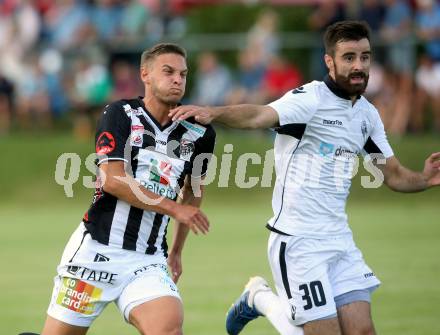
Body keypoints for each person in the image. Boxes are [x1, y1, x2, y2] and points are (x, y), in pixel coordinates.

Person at [169, 21, 440, 335]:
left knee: (363, 331)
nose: (359, 65)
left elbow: (392, 174)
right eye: (349, 57)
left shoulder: (367, 115)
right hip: (298, 242)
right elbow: (259, 115)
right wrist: (213, 112)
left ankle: (260, 297)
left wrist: (424, 178)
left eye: (365, 57)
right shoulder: (310, 99)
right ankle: (260, 298)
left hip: (340, 240)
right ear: (330, 61)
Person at [40, 43, 216, 335]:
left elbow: (193, 191)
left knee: (169, 328)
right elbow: (112, 180)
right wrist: (174, 208)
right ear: (145, 74)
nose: (177, 80)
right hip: (94, 254)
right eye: (168, 71)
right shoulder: (120, 113)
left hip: (147, 260)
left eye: (183, 74)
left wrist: (176, 251)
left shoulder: (200, 132)